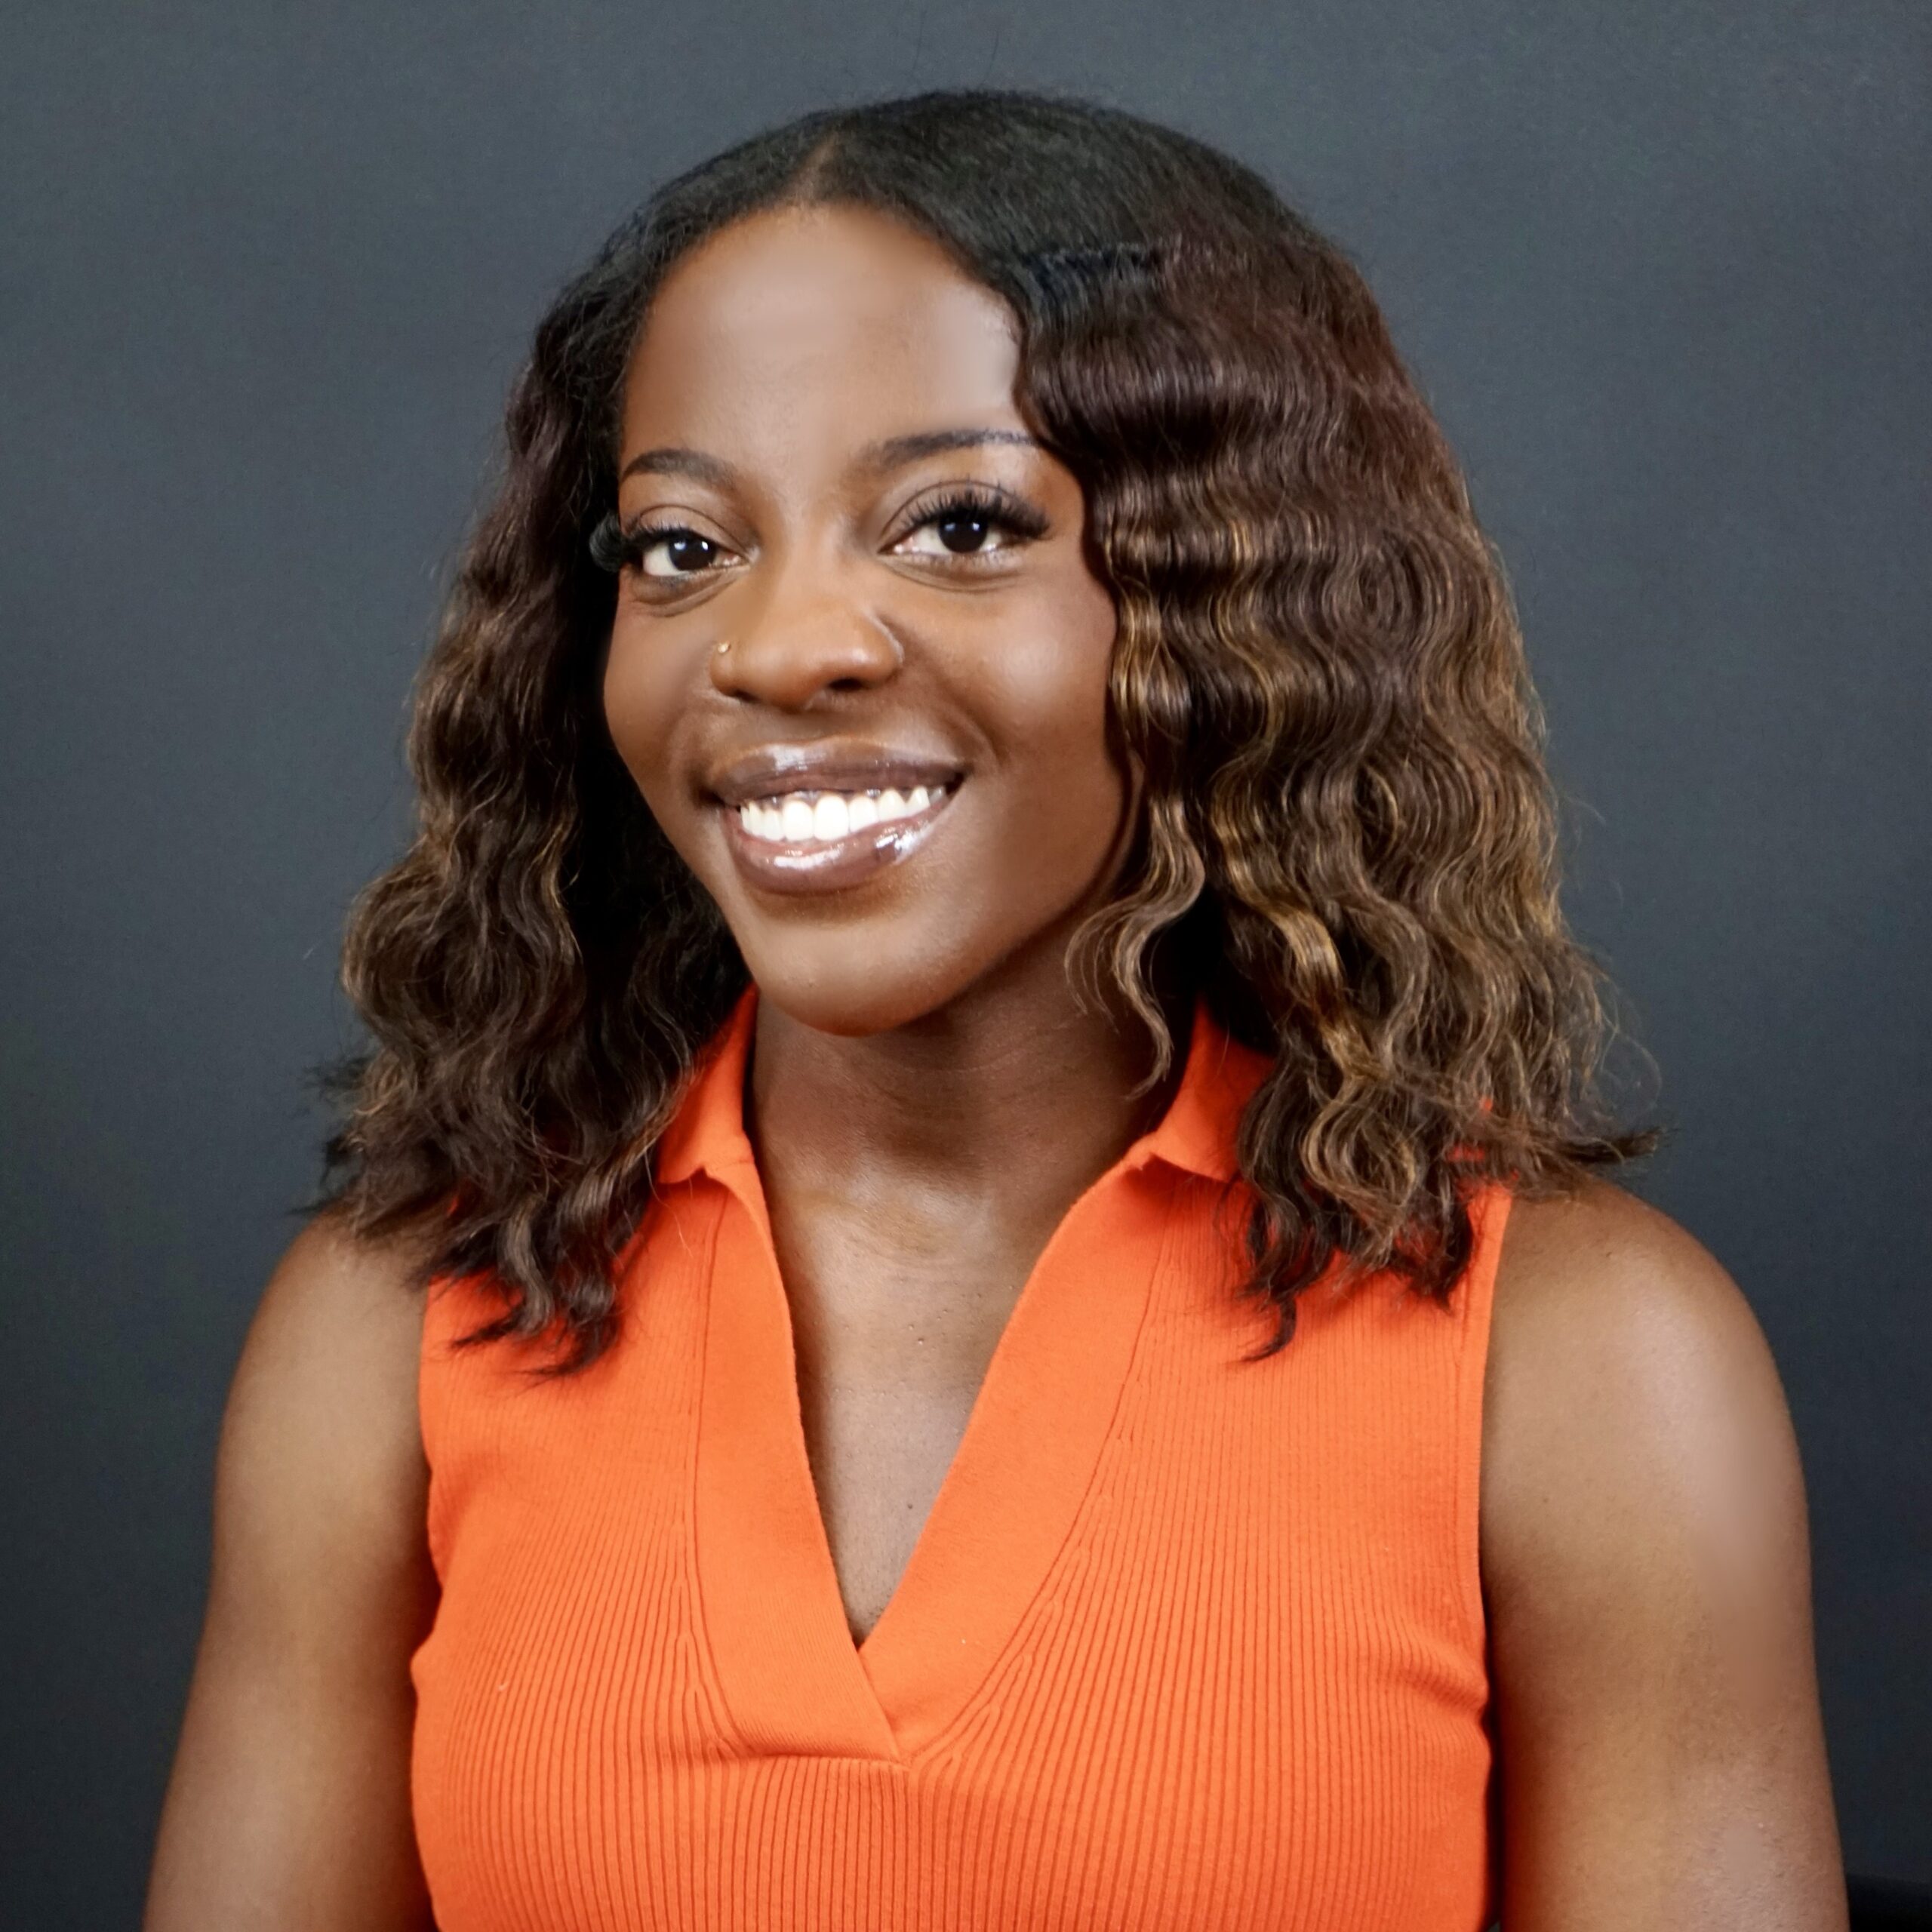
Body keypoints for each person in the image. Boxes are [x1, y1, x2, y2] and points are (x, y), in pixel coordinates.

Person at [143, 89, 1847, 1931]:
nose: (778, 645)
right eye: (682, 547)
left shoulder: (1580, 1364)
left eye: (955, 522)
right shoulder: (401, 1322)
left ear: (1227, 595)